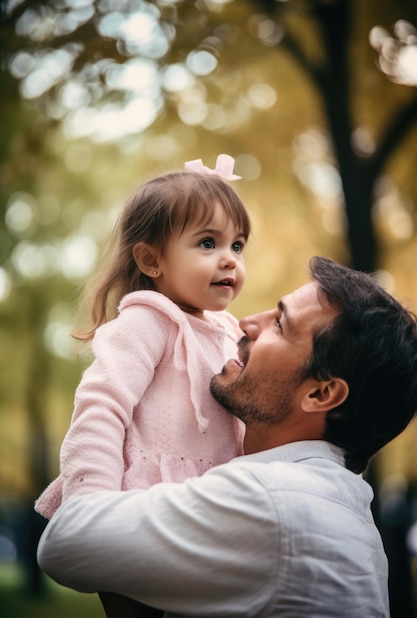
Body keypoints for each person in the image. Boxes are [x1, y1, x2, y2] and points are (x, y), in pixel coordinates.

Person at [37, 256, 417, 617]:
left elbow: (67, 542)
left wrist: (108, 395)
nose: (246, 323)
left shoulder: (270, 502)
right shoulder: (337, 505)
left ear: (321, 394)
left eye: (280, 326)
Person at [34, 154, 251, 618]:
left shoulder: (231, 332)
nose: (229, 259)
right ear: (152, 260)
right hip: (136, 503)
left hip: (208, 505)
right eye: (208, 243)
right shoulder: (145, 323)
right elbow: (101, 405)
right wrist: (91, 496)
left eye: (238, 245)